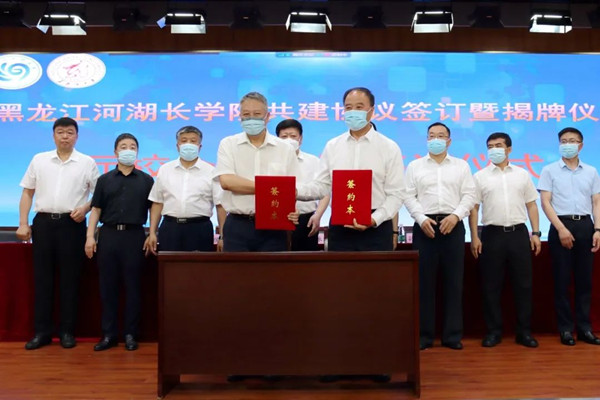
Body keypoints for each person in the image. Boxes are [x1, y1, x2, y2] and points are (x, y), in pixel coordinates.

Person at [17, 117, 100, 350]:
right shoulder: (39, 159)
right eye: (61, 132)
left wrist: (85, 208)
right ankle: (42, 332)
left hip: (72, 225)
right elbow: (27, 193)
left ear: (77, 136)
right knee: (42, 279)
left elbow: (98, 196)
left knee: (69, 280)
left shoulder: (86, 162)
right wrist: (23, 223)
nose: (65, 136)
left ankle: (67, 331)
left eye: (70, 132)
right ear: (53, 135)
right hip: (43, 224)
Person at [297, 87, 405, 251]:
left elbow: (396, 194)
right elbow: (322, 186)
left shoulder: (389, 147)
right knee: (340, 268)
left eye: (359, 107)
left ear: (371, 111)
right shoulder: (333, 146)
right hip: (340, 228)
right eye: (348, 108)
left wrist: (374, 219)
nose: (353, 112)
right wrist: (294, 191)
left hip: (376, 228)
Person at [404, 122, 476, 351]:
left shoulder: (461, 166)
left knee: (453, 282)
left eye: (441, 136)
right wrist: (420, 218)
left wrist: (455, 216)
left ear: (449, 141)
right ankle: (424, 336)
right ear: (427, 139)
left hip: (452, 225)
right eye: (431, 136)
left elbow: (469, 195)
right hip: (424, 226)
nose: (436, 139)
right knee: (424, 283)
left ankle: (452, 336)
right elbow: (408, 196)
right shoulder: (414, 166)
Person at [469, 132, 541, 349]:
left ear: (509, 149)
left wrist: (536, 233)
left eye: (498, 146)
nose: (494, 150)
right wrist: (474, 237)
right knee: (491, 285)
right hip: (492, 234)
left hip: (519, 233)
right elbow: (474, 208)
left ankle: (524, 332)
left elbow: (531, 205)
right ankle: (493, 332)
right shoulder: (479, 176)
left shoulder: (522, 174)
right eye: (490, 146)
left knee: (523, 285)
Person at [85, 133, 154, 351]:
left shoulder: (147, 180)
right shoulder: (104, 180)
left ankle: (131, 334)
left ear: (137, 152)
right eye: (123, 146)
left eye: (132, 147)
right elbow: (96, 210)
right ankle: (109, 335)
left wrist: (153, 233)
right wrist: (90, 236)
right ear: (115, 151)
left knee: (133, 287)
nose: (128, 150)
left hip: (134, 236)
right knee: (108, 287)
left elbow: (155, 209)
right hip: (108, 235)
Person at [214, 91, 299, 252]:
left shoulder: (284, 148)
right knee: (236, 269)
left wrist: (292, 208)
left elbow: (290, 188)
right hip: (238, 224)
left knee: (272, 269)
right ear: (240, 116)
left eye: (257, 114)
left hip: (274, 225)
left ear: (267, 116)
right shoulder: (228, 144)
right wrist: (270, 188)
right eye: (246, 114)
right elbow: (227, 182)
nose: (251, 118)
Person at [538, 127, 600, 346]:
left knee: (585, 282)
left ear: (580, 145)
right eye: (563, 141)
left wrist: (598, 229)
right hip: (560, 225)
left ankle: (585, 329)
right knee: (562, 281)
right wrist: (561, 229)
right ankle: (565, 329)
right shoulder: (549, 170)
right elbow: (545, 202)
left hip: (585, 225)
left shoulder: (591, 171)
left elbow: (596, 202)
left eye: (572, 141)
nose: (567, 144)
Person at [143, 126, 226, 255]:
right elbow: (158, 202)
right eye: (184, 140)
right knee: (169, 266)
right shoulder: (165, 169)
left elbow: (220, 206)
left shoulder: (211, 171)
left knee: (198, 267)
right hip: (170, 228)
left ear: (200, 146)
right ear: (177, 146)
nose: (188, 144)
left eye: (193, 141)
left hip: (200, 228)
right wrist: (152, 232)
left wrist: (223, 236)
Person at [275, 119, 329, 251]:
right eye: (284, 137)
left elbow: (325, 192)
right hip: (277, 218)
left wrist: (318, 215)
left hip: (306, 219)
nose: (289, 139)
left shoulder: (313, 161)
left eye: (293, 136)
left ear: (301, 139)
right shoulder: (271, 162)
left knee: (306, 261)